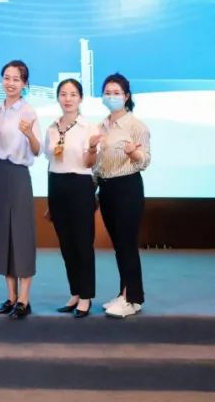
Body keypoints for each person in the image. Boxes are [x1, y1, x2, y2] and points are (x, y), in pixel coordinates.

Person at [0, 60, 42, 320]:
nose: (10, 83)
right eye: (6, 78)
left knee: (21, 234)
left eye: (16, 79)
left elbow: (37, 150)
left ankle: (24, 300)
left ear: (24, 84)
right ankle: (10, 297)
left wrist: (29, 134)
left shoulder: (28, 111)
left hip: (18, 174)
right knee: (2, 235)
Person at [93, 72, 152, 319]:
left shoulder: (136, 126)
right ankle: (125, 293)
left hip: (127, 187)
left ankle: (133, 298)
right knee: (119, 245)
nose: (111, 96)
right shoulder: (100, 126)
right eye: (107, 92)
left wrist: (132, 153)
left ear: (126, 96)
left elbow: (145, 161)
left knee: (127, 244)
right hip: (106, 188)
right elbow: (97, 162)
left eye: (116, 93)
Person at [43, 78, 98, 318]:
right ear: (58, 98)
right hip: (57, 185)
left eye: (73, 94)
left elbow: (89, 163)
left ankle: (86, 296)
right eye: (63, 94)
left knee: (82, 243)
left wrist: (93, 148)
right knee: (66, 245)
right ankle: (75, 292)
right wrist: (50, 200)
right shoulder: (51, 128)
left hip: (80, 185)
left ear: (81, 98)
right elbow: (51, 161)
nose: (68, 99)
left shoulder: (89, 127)